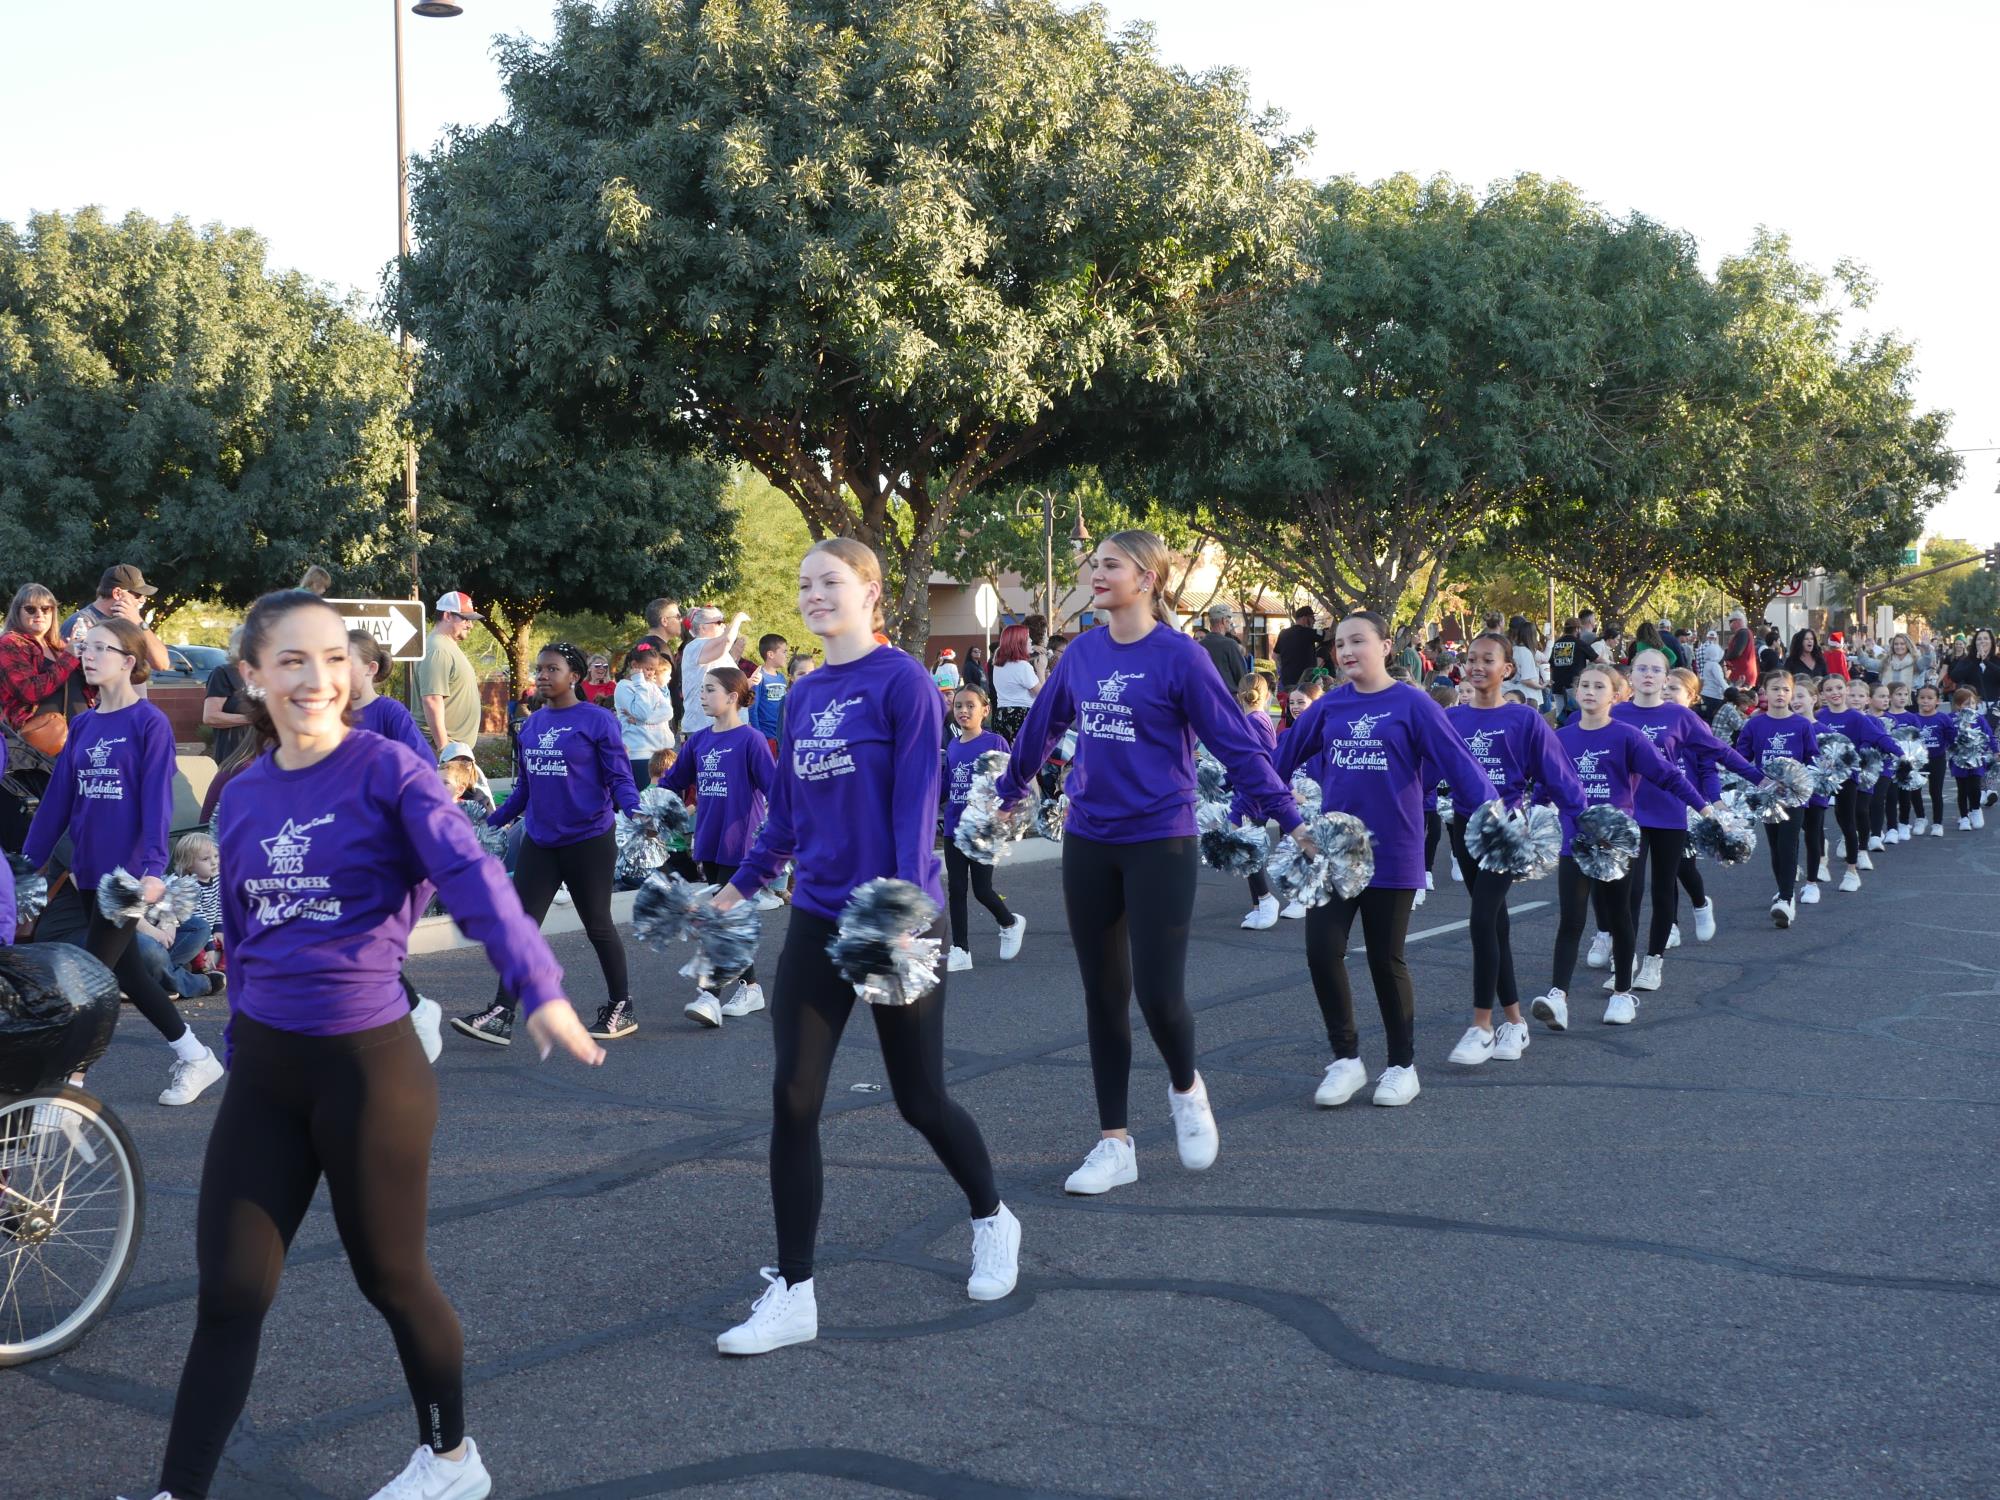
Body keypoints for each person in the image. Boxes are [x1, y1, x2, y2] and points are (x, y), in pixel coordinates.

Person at [142, 588, 602, 1500]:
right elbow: (243, 929)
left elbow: (468, 872)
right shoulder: (242, 796)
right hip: (266, 1072)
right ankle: (176, 1491)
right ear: (253, 677)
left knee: (392, 1281)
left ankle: (451, 1460)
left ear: (355, 669)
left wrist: (539, 985)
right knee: (229, 1295)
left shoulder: (389, 770)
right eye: (292, 661)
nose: (319, 678)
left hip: (368, 1072)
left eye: (332, 659)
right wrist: (234, 1037)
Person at [705, 537, 1019, 1356]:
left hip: (894, 912)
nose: (813, 595)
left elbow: (919, 809)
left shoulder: (905, 684)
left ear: (871, 593)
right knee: (794, 1096)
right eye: (805, 583)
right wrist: (740, 883)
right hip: (815, 914)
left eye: (830, 582)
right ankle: (796, 1290)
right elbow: (788, 812)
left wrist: (903, 914)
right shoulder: (804, 693)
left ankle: (992, 1216)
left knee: (919, 1098)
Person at [997, 532, 1306, 1190]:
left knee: (1160, 996)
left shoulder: (1180, 658)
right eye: (1096, 564)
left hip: (1161, 839)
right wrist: (1008, 789)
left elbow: (1235, 744)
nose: (1096, 573)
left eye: (1109, 565)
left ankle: (1187, 1088)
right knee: (1103, 995)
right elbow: (1041, 728)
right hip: (1088, 838)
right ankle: (1115, 1142)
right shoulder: (1081, 653)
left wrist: (1291, 817)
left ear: (1147, 578)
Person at [1278, 611, 1495, 1107]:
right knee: (1321, 950)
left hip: (1394, 849)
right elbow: (1281, 758)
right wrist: (1244, 807)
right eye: (1338, 644)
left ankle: (1402, 1066)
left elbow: (1461, 764)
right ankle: (1347, 1059)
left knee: (1384, 958)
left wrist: (1491, 815)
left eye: (1358, 641)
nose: (1347, 651)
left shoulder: (1413, 704)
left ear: (1385, 646)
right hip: (1335, 851)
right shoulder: (1329, 706)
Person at [20, 616, 225, 1105]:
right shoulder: (86, 723)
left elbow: (155, 801)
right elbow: (58, 803)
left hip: (127, 878)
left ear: (129, 661)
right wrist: (27, 863)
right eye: (85, 648)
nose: (88, 656)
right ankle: (196, 1057)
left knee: (87, 981)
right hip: (89, 872)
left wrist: (152, 871)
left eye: (101, 649)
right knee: (130, 972)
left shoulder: (148, 723)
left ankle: (67, 1089)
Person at [452, 643, 641, 1045]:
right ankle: (502, 1011)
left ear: (574, 676)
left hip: (589, 838)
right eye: (539, 669)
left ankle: (621, 1006)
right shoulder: (532, 725)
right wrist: (490, 819)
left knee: (599, 926)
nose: (541, 676)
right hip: (541, 839)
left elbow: (619, 777)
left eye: (551, 669)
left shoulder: (597, 721)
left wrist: (636, 810)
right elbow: (524, 789)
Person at [1532, 662, 1709, 1029]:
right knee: (1571, 919)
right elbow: (1543, 787)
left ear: (1616, 695)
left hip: (1615, 844)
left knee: (1619, 917)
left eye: (1599, 686)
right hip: (1575, 842)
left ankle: (1622, 994)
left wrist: (1705, 806)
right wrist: (1528, 817)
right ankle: (1557, 996)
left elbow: (1666, 776)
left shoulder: (1627, 736)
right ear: (1576, 692)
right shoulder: (1561, 737)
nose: (1590, 692)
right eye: (1584, 685)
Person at [1438, 633, 1584, 1067]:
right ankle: (1515, 1022)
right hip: (1464, 827)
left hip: (1506, 830)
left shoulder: (1525, 719)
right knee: (1494, 925)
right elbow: (1424, 770)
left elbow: (1559, 776)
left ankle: (1481, 1026)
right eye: (1471, 658)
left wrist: (1588, 820)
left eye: (1488, 659)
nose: (1478, 665)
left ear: (1508, 670)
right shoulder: (1451, 719)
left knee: (1482, 917)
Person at [1609, 648, 1760, 989]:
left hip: (1669, 810)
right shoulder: (1615, 713)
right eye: (1641, 669)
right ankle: (1624, 961)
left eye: (1655, 670)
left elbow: (1719, 751)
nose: (1648, 675)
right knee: (1627, 892)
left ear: (1666, 679)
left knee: (1664, 888)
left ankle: (1653, 962)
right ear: (1630, 677)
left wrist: (1759, 778)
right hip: (1626, 812)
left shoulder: (1681, 718)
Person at [660, 665, 774, 1027]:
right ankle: (751, 987)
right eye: (702, 690)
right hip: (707, 839)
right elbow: (672, 781)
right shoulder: (699, 740)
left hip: (741, 843)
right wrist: (642, 807)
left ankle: (709, 995)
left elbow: (776, 790)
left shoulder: (751, 740)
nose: (703, 696)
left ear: (733, 696)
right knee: (725, 920)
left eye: (710, 690)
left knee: (719, 917)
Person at [939, 685, 1026, 971]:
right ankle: (961, 950)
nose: (963, 711)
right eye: (959, 706)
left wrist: (1008, 811)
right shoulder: (952, 746)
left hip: (984, 827)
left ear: (985, 710)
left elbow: (1010, 780)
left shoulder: (995, 742)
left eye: (970, 705)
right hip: (954, 827)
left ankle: (1010, 922)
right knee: (956, 888)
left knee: (982, 890)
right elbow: (947, 786)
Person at [0, 582, 86, 848]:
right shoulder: (10, 644)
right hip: (36, 752)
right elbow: (29, 691)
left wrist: (87, 652)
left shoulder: (59, 645)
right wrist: (69, 658)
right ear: (18, 611)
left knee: (77, 816)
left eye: (47, 609)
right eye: (31, 608)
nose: (40, 614)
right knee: (49, 822)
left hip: (76, 738)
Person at [1733, 670, 1818, 927]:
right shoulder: (1755, 724)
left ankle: (1785, 898)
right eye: (1774, 689)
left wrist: (1806, 780)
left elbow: (1812, 758)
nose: (1780, 694)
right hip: (1766, 795)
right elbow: (1740, 757)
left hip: (1793, 795)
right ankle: (1784, 887)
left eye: (1785, 689)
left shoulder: (1802, 725)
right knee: (1775, 844)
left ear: (1792, 693)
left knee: (1788, 843)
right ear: (1764, 693)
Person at [1812, 675, 1905, 889]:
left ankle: (1853, 869)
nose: (1834, 692)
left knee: (1850, 819)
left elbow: (1880, 738)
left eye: (1838, 688)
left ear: (1844, 690)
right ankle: (1820, 862)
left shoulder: (1857, 718)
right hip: (1821, 776)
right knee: (1814, 821)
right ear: (1822, 695)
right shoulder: (1819, 716)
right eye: (1828, 689)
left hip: (1850, 775)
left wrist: (1902, 754)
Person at [1231, 672, 1287, 930]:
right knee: (1244, 846)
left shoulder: (1256, 720)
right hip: (1248, 790)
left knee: (1247, 848)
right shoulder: (1253, 719)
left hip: (1254, 793)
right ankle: (1258, 904)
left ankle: (1266, 900)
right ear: (1266, 695)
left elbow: (1265, 759)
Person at [61, 564, 171, 678]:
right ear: (117, 593)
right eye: (138, 595)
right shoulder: (81, 624)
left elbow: (162, 664)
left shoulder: (129, 622)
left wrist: (139, 623)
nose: (143, 599)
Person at [417, 590, 484, 751]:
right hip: (442, 752)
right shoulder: (438, 649)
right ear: (447, 616)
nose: (470, 625)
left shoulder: (445, 646)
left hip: (454, 750)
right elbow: (432, 699)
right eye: (465, 619)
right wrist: (445, 750)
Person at [348, 632, 431, 759]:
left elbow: (424, 764)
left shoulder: (391, 712)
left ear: (371, 668)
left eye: (347, 663)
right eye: (333, 661)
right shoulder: (328, 712)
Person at [678, 607, 750, 737]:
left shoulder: (716, 650)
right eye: (718, 622)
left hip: (724, 726)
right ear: (702, 627)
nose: (723, 625)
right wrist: (738, 619)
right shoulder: (695, 646)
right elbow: (727, 640)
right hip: (704, 727)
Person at [614, 640, 676, 789]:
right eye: (648, 669)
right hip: (640, 754)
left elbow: (668, 712)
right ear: (634, 665)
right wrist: (639, 682)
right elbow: (642, 713)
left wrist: (642, 721)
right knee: (644, 806)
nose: (651, 673)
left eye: (654, 669)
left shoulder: (652, 686)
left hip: (661, 754)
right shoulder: (624, 687)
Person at [1896, 683, 1952, 836]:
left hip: (1937, 759)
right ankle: (1921, 818)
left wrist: (1945, 747)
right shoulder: (1913, 718)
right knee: (1914, 790)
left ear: (1937, 701)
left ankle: (1937, 823)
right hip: (1917, 761)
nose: (1925, 701)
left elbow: (1950, 737)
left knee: (1936, 792)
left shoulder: (1943, 718)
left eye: (1930, 698)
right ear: (1917, 699)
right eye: (1922, 698)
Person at [199, 629, 253, 764]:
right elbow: (210, 717)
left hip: (267, 755)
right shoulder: (224, 673)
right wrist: (252, 718)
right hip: (235, 755)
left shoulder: (268, 674)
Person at [989, 622, 1041, 743]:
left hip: (1001, 715)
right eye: (1028, 637)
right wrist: (1041, 670)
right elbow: (1042, 695)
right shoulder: (1023, 666)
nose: (1031, 640)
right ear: (1019, 642)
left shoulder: (998, 664)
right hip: (1021, 716)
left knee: (1005, 757)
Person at [749, 633, 790, 747]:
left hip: (781, 736)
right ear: (771, 654)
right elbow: (752, 709)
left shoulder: (782, 678)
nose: (786, 655)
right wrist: (759, 736)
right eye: (784, 651)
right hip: (766, 738)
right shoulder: (758, 677)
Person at [1196, 605, 1249, 688]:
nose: (1231, 622)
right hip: (1228, 696)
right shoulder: (1230, 644)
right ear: (1224, 621)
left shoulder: (1199, 646)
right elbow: (1242, 677)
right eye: (1229, 620)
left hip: (1206, 696)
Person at [1944, 628, 2000, 703]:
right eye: (1979, 639)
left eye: (1986, 638)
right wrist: (1976, 661)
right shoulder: (1968, 660)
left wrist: (1986, 661)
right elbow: (1955, 677)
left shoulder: (1997, 659)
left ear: (1991, 642)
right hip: (1972, 705)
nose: (1982, 641)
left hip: (1994, 706)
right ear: (1975, 643)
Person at [1274, 607, 1321, 694]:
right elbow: (1328, 635)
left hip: (1287, 681)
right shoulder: (1309, 632)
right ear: (1304, 618)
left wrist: (1283, 670)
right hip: (1306, 682)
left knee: (1290, 705)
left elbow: (1275, 655)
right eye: (1312, 618)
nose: (1314, 621)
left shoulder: (1283, 633)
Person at [1508, 618, 1548, 711]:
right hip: (1528, 697)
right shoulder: (1525, 652)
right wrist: (1541, 686)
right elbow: (1526, 680)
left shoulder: (1514, 649)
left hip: (1516, 695)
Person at [1548, 617, 1582, 719]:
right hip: (1573, 685)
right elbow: (1596, 658)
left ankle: (1560, 732)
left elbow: (1550, 662)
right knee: (1576, 714)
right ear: (1577, 629)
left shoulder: (1557, 643)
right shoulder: (1579, 643)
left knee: (1560, 714)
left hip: (1557, 684)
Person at [1722, 611, 1758, 690]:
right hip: (1743, 674)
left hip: (1742, 675)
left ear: (1738, 621)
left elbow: (1737, 652)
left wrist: (1724, 657)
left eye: (1731, 621)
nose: (1730, 624)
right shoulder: (1744, 633)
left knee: (1740, 699)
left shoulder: (1743, 633)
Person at [1694, 631, 1727, 718]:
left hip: (1704, 691)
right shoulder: (1715, 665)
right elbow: (1720, 681)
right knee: (1713, 717)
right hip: (1714, 695)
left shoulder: (1707, 663)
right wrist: (1730, 691)